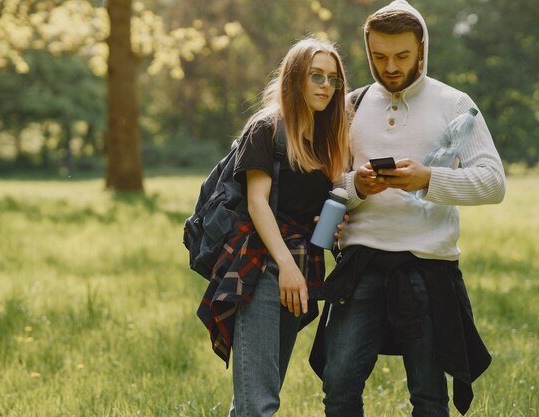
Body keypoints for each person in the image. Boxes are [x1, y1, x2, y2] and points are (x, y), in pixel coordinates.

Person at [310, 1, 506, 416]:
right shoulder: (354, 105)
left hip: (427, 267)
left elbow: (493, 182)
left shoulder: (455, 104)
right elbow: (333, 186)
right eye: (379, 56)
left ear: (422, 49)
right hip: (360, 264)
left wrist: (429, 179)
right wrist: (357, 186)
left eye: (402, 56)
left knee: (429, 396)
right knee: (338, 384)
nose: (391, 66)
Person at [197, 36, 350, 417]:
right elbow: (257, 203)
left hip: (302, 264)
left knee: (258, 396)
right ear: (295, 78)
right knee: (258, 403)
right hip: (262, 264)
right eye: (316, 76)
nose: (325, 87)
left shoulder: (326, 136)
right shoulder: (267, 127)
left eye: (333, 79)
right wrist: (285, 267)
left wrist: (334, 225)